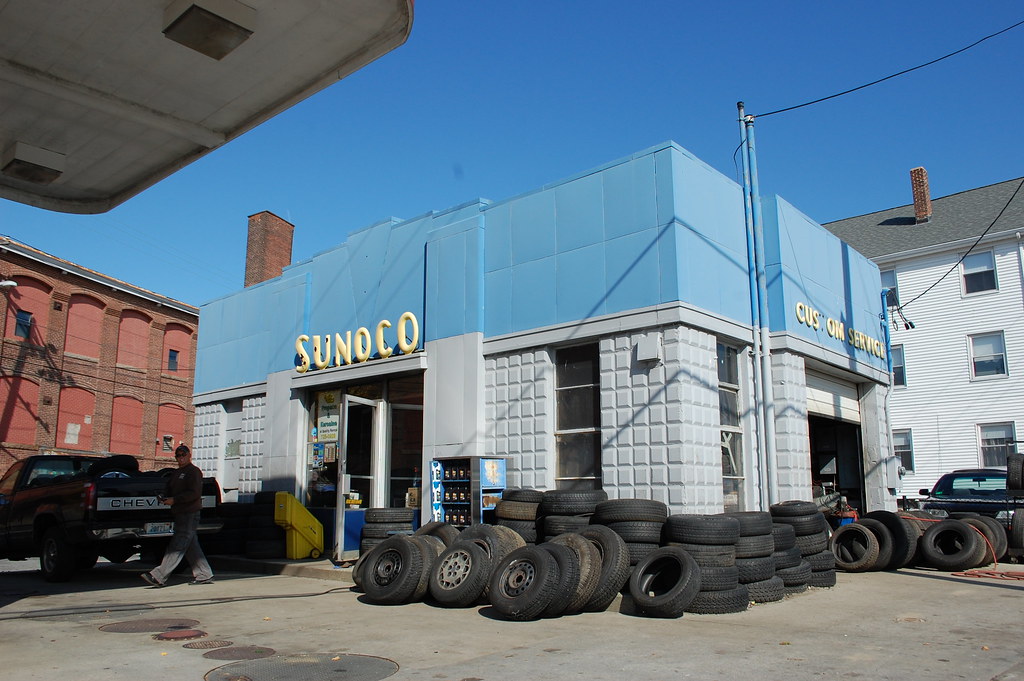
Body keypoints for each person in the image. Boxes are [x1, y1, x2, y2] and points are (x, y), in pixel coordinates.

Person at [141, 444, 214, 587]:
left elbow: (194, 494)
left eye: (183, 455)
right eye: (178, 456)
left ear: (189, 455)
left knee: (178, 545)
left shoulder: (194, 472)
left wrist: (174, 500)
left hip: (190, 513)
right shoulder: (176, 473)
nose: (180, 458)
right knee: (191, 545)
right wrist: (163, 496)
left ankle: (159, 575)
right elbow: (168, 488)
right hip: (179, 513)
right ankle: (204, 574)